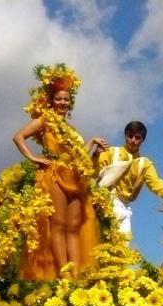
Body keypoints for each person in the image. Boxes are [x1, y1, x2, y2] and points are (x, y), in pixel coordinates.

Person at [12, 64, 108, 280]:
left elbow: (76, 156)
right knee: (58, 224)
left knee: (73, 226)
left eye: (66, 99)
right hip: (54, 174)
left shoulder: (72, 131)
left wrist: (92, 143)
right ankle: (63, 274)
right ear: (51, 101)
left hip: (74, 177)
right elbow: (18, 136)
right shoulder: (45, 120)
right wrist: (33, 158)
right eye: (59, 99)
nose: (63, 103)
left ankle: (75, 274)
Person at [96, 121, 163, 235]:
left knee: (123, 247)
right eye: (130, 136)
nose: (133, 140)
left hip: (125, 208)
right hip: (105, 202)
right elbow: (96, 172)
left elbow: (154, 181)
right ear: (125, 136)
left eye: (137, 137)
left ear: (142, 140)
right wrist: (95, 156)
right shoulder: (111, 152)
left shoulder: (144, 163)